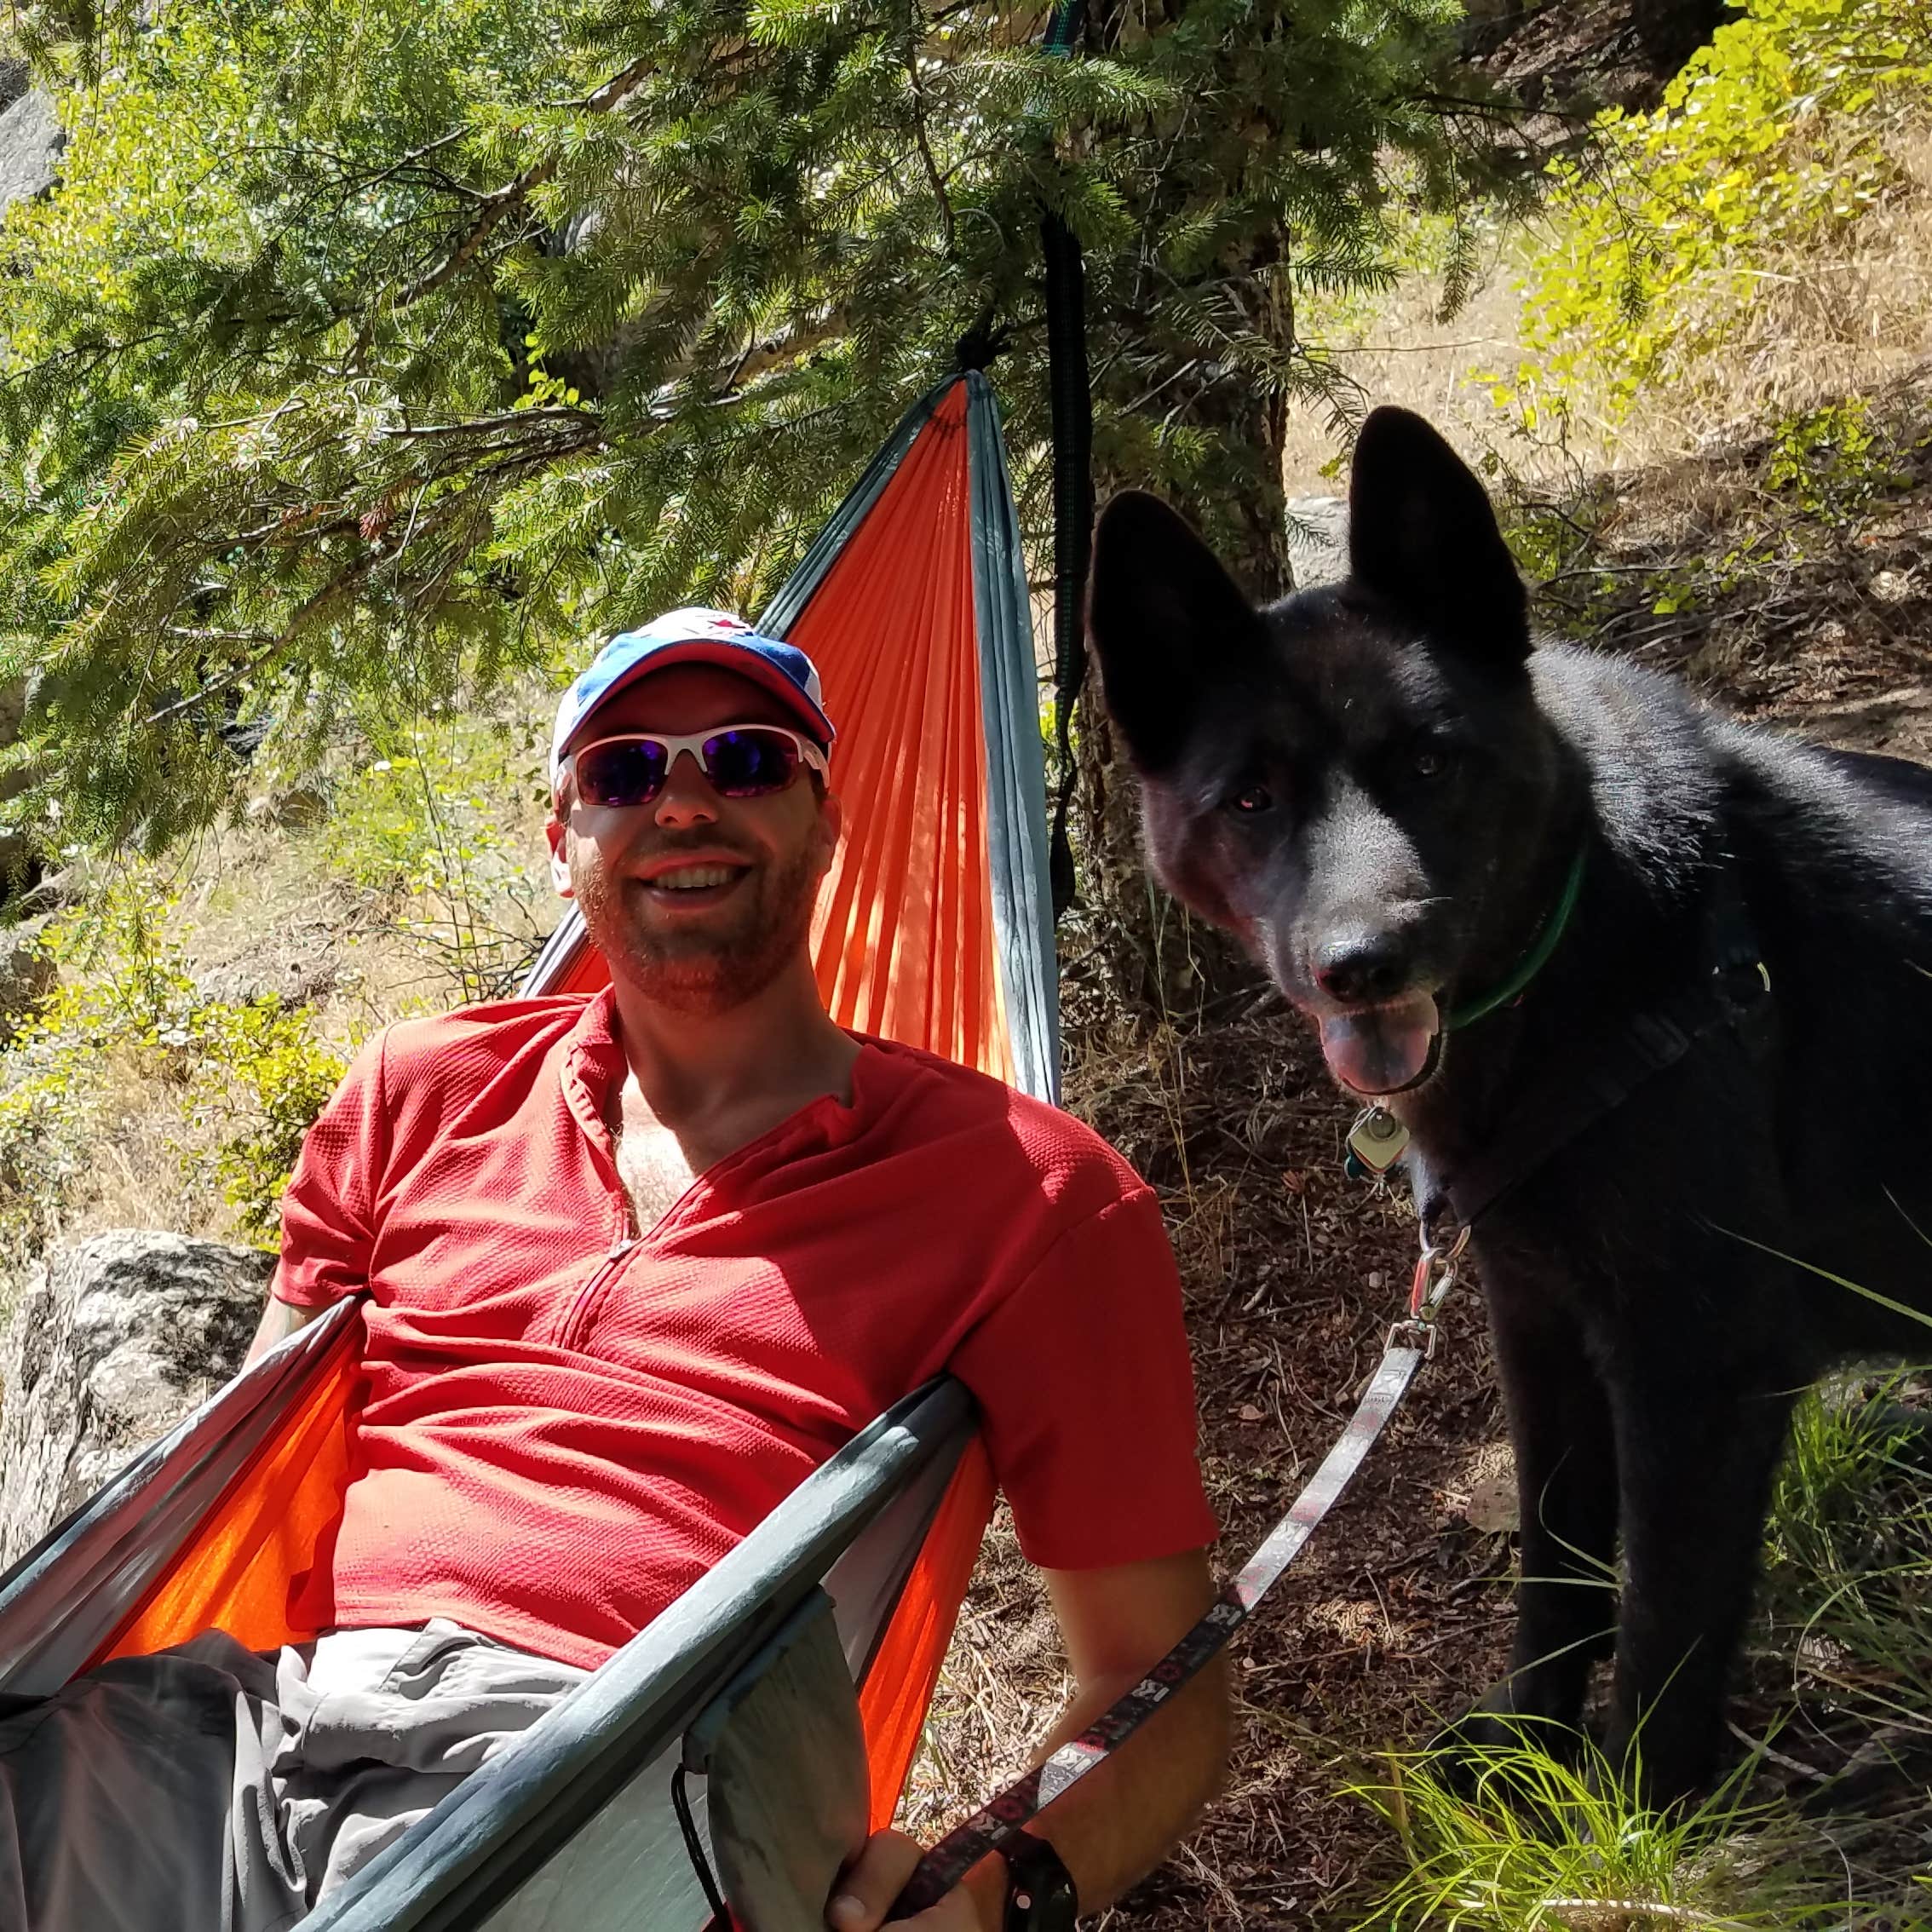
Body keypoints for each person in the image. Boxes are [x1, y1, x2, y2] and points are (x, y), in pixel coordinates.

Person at [0, 610, 1228, 1932]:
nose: (684, 804)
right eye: (625, 770)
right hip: (260, 1730)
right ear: (561, 842)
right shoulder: (419, 1092)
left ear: (827, 823)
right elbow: (246, 1484)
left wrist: (992, 1894)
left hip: (615, 1790)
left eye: (747, 760)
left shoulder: (1032, 1194)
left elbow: (1159, 1682)